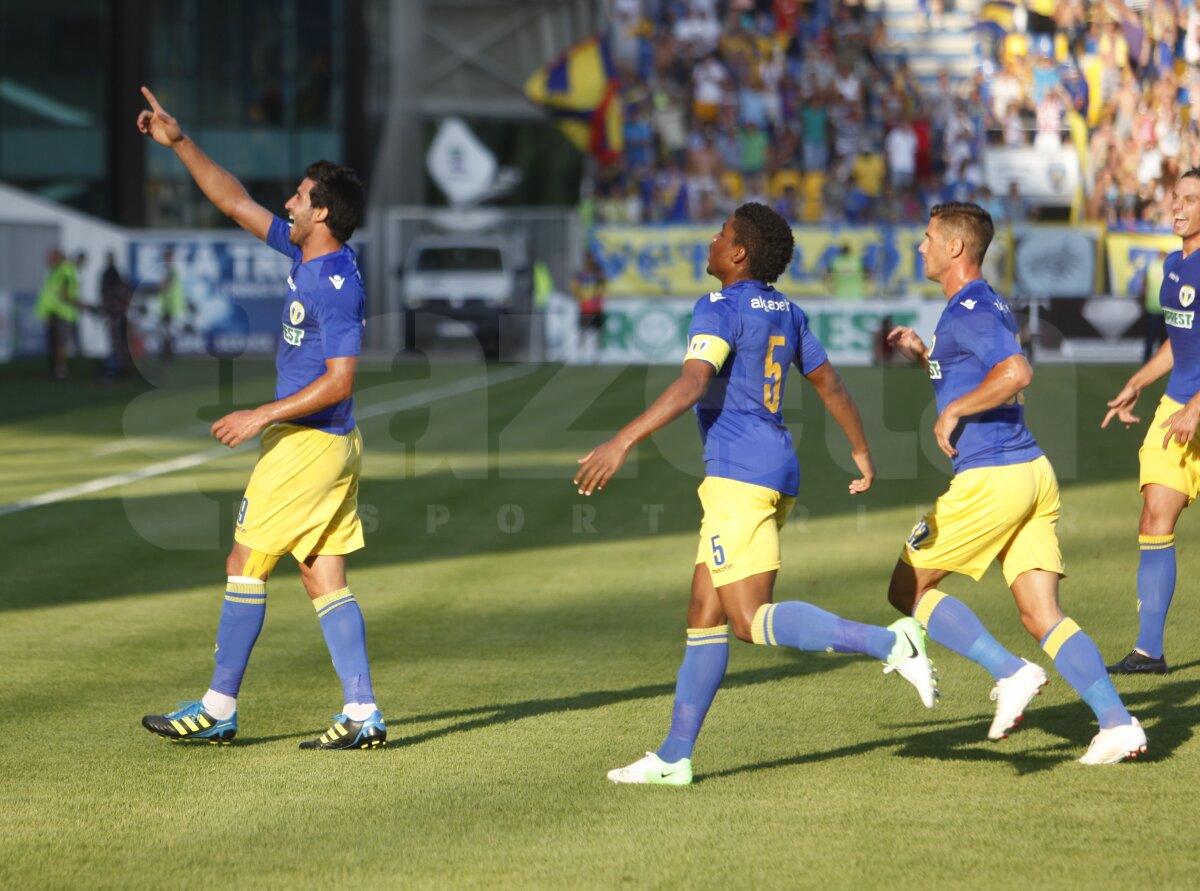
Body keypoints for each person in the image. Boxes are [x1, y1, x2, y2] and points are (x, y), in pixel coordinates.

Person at [574, 202, 937, 787]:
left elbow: (694, 382)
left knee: (748, 619)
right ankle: (674, 757)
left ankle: (891, 644)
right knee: (705, 611)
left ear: (739, 253)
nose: (711, 240)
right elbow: (830, 384)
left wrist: (622, 440)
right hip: (772, 467)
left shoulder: (719, 306)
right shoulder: (787, 310)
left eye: (721, 233)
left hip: (739, 476)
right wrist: (861, 450)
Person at [135, 86, 385, 750]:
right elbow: (233, 201)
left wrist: (259, 415)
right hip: (329, 444)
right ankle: (362, 711)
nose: (288, 204)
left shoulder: (334, 285)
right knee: (322, 573)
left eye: (299, 197)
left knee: (244, 559)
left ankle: (219, 705)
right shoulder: (310, 255)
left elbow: (341, 379)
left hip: (307, 445)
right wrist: (179, 142)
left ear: (321, 212)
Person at [886, 202, 1146, 765]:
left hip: (993, 476)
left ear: (955, 247)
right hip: (1030, 473)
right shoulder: (979, 303)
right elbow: (981, 372)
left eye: (928, 237)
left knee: (907, 589)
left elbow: (1016, 372)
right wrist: (926, 355)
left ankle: (1009, 671)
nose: (921, 246)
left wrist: (953, 410)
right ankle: (1117, 723)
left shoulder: (971, 306)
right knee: (1041, 615)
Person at [1101, 171, 1200, 675]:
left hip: (1193, 406)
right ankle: (1149, 652)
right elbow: (1179, 342)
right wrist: (1137, 382)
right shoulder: (1174, 264)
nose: (1177, 206)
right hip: (1176, 406)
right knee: (1153, 518)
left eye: (1190, 199)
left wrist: (1197, 406)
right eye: (1175, 197)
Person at [34, 248, 79, 380]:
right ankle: (57, 370)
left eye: (50, 257)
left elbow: (64, 294)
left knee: (60, 344)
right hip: (54, 313)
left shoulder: (64, 271)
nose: (47, 260)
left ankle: (60, 370)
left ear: (57, 257)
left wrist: (80, 304)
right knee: (56, 343)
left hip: (62, 313)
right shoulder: (56, 271)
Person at [99, 251, 132, 379]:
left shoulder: (110, 277)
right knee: (120, 343)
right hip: (118, 314)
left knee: (118, 343)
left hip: (115, 315)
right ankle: (122, 368)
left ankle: (120, 368)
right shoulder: (115, 276)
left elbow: (107, 296)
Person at [571, 251, 607, 363]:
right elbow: (575, 287)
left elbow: (604, 285)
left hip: (596, 307)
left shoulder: (598, 274)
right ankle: (581, 354)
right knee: (583, 330)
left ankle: (596, 354)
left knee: (597, 331)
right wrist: (580, 295)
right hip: (586, 306)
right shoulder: (582, 275)